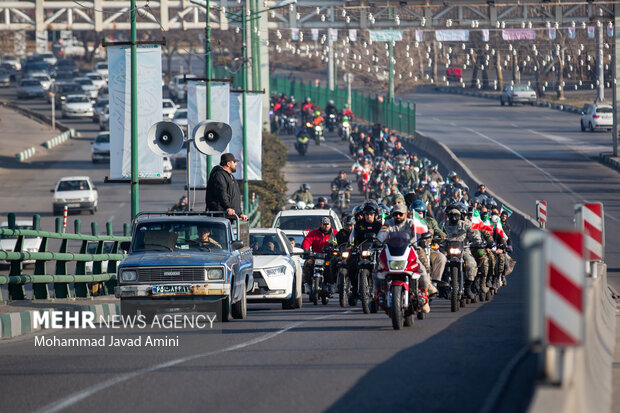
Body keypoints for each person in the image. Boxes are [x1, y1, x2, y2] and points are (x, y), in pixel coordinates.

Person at [441, 206, 484, 299]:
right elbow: (438, 235)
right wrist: (436, 241)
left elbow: (473, 233)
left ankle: (468, 287)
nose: (453, 217)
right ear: (448, 216)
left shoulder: (465, 225)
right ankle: (443, 286)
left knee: (471, 264)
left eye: (456, 215)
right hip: (446, 250)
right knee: (439, 262)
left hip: (463, 249)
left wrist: (478, 241)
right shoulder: (443, 225)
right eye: (451, 215)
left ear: (459, 216)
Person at [205, 153, 248, 221]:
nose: (236, 164)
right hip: (220, 216)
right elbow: (222, 192)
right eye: (234, 162)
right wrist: (227, 207)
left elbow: (234, 197)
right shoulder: (219, 175)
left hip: (228, 215)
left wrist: (239, 214)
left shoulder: (230, 176)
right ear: (228, 164)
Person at [301, 217, 338, 290]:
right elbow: (307, 241)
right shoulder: (313, 233)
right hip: (315, 256)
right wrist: (305, 250)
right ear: (321, 225)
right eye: (324, 224)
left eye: (328, 224)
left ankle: (331, 284)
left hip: (329, 257)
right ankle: (307, 284)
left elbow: (340, 243)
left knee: (334, 266)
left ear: (330, 225)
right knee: (307, 264)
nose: (326, 226)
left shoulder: (335, 233)